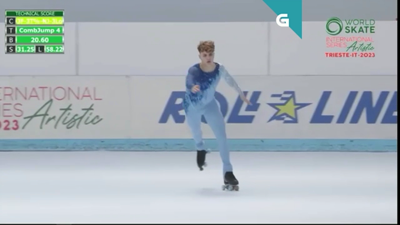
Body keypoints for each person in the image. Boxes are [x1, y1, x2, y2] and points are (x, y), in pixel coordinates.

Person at [183, 40, 251, 188]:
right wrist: (191, 86)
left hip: (210, 105)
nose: (208, 57)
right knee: (196, 132)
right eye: (205, 55)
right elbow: (189, 81)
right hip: (192, 107)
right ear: (200, 56)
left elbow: (230, 81)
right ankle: (200, 148)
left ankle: (228, 172)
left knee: (222, 137)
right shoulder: (194, 70)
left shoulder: (219, 69)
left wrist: (241, 94)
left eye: (211, 54)